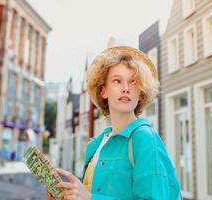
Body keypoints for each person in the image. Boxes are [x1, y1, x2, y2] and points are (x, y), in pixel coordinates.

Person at [47, 46, 181, 200]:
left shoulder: (144, 138)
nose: (125, 88)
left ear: (141, 93)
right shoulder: (95, 145)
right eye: (117, 81)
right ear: (103, 91)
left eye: (133, 82)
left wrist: (90, 198)